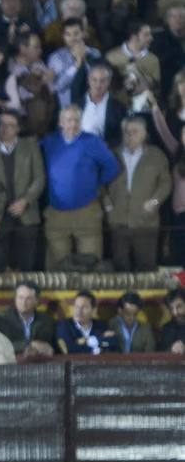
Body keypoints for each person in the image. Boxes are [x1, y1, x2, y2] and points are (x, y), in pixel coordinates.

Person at [41, 105, 120, 269]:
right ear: (60, 122)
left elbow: (112, 166)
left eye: (77, 120)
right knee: (58, 264)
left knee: (91, 261)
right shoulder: (49, 142)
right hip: (56, 213)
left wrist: (96, 185)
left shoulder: (92, 141)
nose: (73, 124)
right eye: (69, 120)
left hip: (87, 212)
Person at [0, 111, 46, 273]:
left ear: (18, 129)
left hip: (26, 212)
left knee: (27, 264)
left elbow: (39, 178)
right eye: (2, 125)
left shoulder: (30, 146)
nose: (4, 129)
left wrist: (25, 200)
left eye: (9, 126)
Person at [105, 117, 170, 272]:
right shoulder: (111, 154)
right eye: (126, 132)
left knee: (146, 268)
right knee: (120, 269)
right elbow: (99, 183)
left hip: (146, 223)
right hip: (118, 222)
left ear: (144, 134)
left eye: (134, 132)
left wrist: (154, 203)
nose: (129, 136)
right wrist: (107, 204)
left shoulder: (156, 155)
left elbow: (166, 183)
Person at [0, 280, 57, 357]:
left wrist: (48, 348)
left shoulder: (46, 320)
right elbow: (1, 346)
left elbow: (51, 345)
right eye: (20, 298)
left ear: (36, 301)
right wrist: (29, 345)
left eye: (28, 298)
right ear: (15, 299)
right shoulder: (2, 319)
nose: (23, 302)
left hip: (40, 364)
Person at [56, 290, 118, 355]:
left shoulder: (101, 325)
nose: (79, 311)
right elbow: (70, 349)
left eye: (84, 307)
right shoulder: (64, 326)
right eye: (76, 306)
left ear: (93, 310)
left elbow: (112, 343)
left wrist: (88, 341)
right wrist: (96, 349)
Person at [159, 288, 185, 354]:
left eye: (179, 306)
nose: (175, 313)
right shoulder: (166, 328)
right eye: (171, 308)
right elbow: (161, 353)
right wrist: (171, 349)